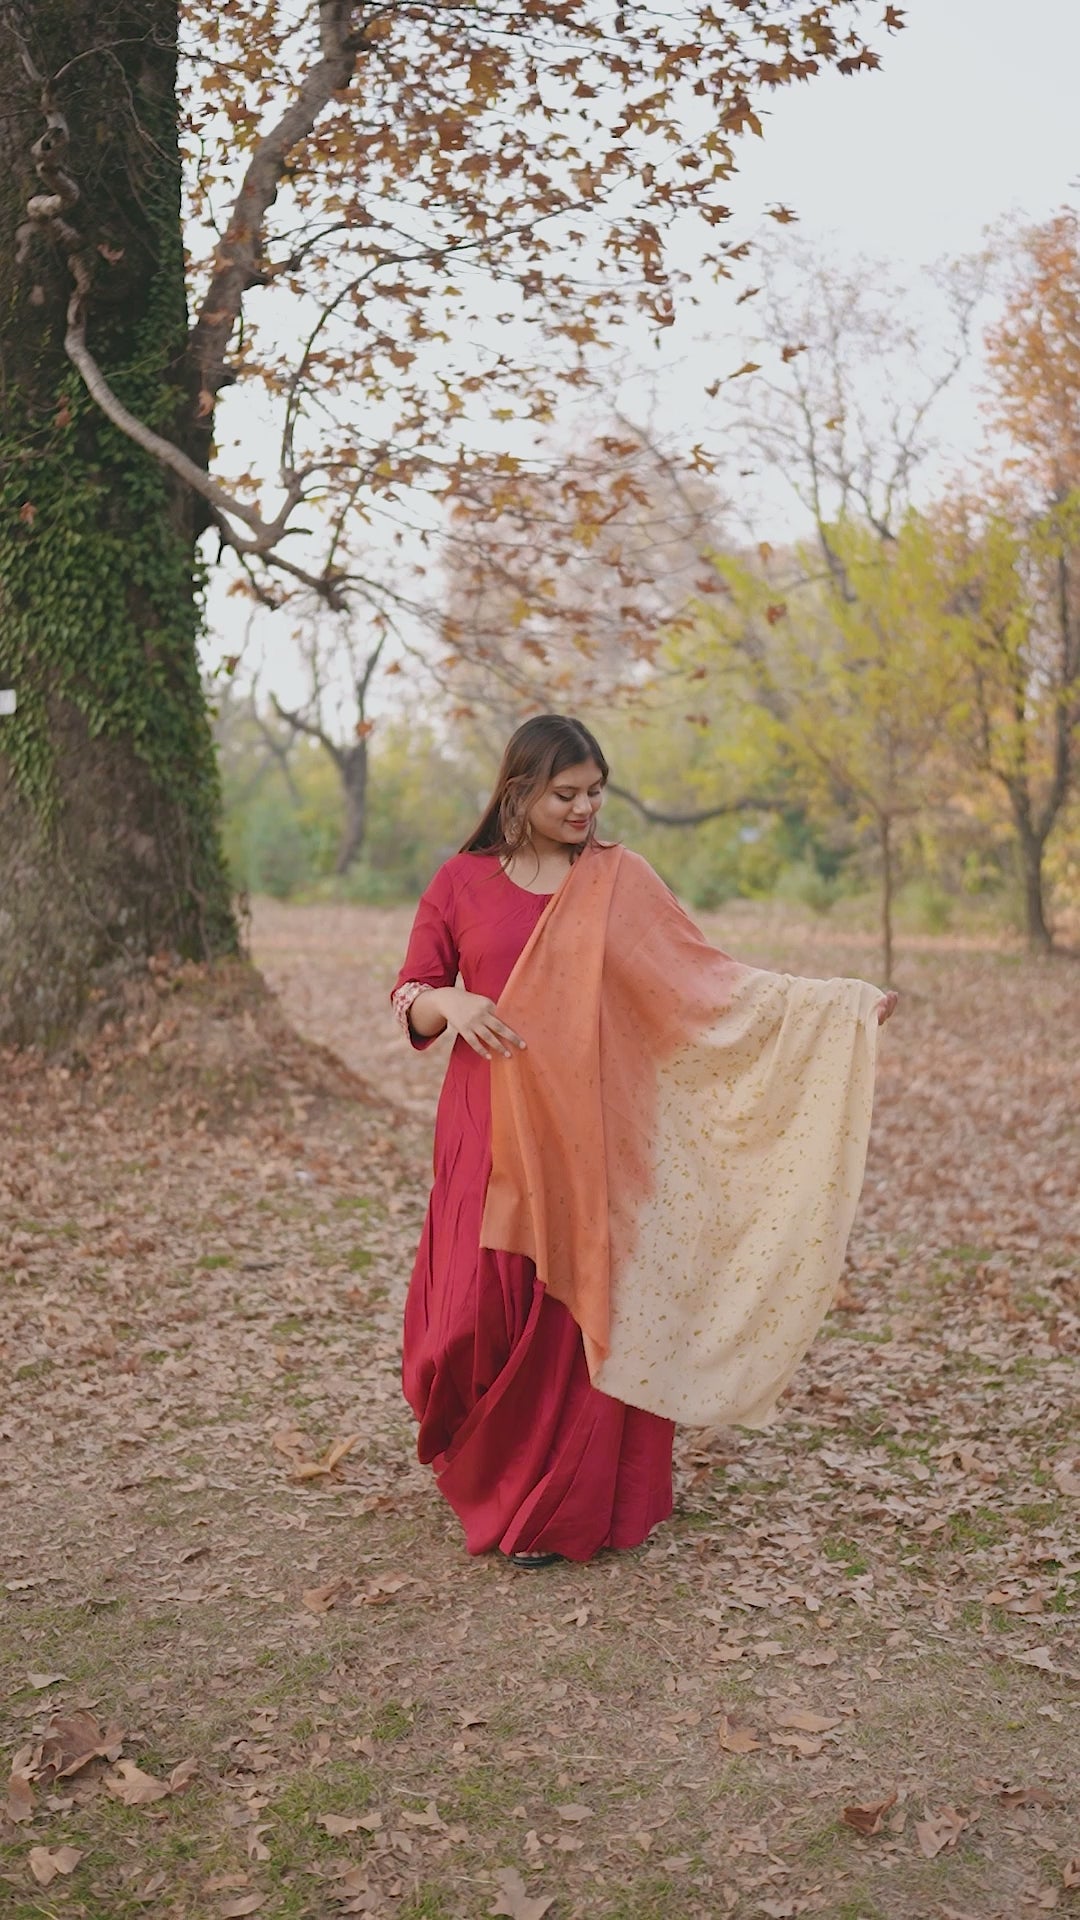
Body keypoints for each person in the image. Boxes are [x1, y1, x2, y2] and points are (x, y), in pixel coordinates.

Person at [392, 714, 896, 1570]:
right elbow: (412, 989)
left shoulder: (619, 880)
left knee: (570, 1317)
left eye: (595, 791)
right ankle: (494, 1467)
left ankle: (554, 1506)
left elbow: (706, 982)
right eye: (566, 793)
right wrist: (455, 1002)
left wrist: (835, 1007)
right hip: (489, 1126)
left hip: (594, 1127)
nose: (585, 808)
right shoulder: (461, 881)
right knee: (470, 1321)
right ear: (518, 790)